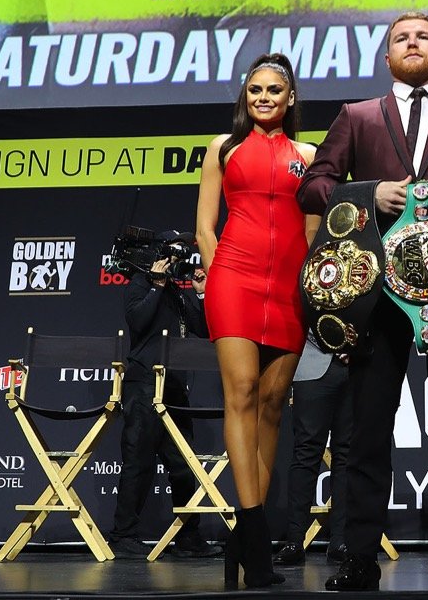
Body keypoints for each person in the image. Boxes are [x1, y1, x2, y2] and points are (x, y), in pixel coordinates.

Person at [297, 12, 428, 591]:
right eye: (401, 38)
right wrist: (369, 194)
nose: (412, 43)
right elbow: (314, 183)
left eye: (424, 37)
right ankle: (359, 555)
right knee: (368, 430)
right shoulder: (357, 116)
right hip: (377, 294)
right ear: (386, 56)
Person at [195, 53, 316, 589]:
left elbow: (315, 234)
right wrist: (215, 269)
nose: (264, 98)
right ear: (245, 97)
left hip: (290, 287)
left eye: (274, 90)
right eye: (255, 90)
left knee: (271, 405)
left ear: (290, 98)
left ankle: (244, 542)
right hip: (235, 279)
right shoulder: (223, 148)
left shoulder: (311, 156)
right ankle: (256, 538)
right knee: (241, 391)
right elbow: (204, 227)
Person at [107, 234, 221, 560]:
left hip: (173, 388)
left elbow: (203, 328)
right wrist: (156, 285)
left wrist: (201, 293)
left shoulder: (177, 292)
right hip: (143, 383)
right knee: (138, 461)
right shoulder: (140, 283)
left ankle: (188, 536)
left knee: (183, 464)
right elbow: (138, 321)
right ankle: (123, 535)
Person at [273, 337, 352, 567]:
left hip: (356, 365)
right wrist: (335, 343)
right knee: (306, 453)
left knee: (346, 454)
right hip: (312, 362)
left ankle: (341, 541)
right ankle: (295, 542)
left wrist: (353, 346)